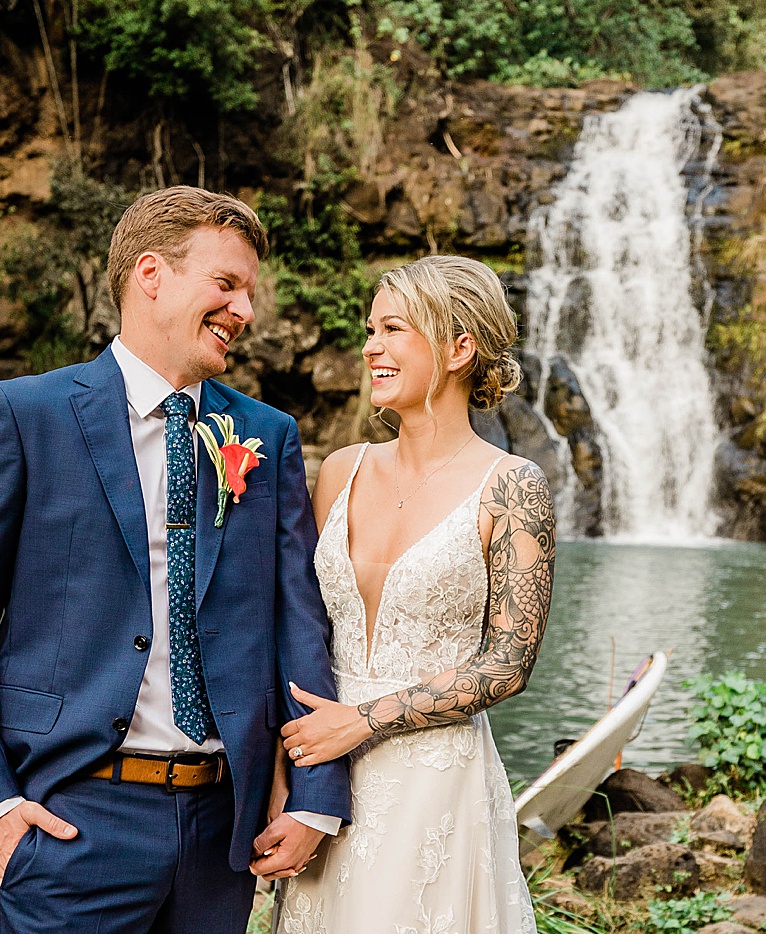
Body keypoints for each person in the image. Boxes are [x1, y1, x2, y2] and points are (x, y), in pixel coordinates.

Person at [0, 186, 350, 934]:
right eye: (227, 284)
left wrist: (314, 792)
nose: (245, 311)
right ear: (151, 274)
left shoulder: (266, 434)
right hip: (73, 822)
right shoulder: (25, 417)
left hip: (225, 830)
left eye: (248, 292)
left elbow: (296, 623)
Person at [273, 255, 554, 933]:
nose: (371, 345)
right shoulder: (340, 471)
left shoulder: (513, 487)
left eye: (393, 328)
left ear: (460, 347)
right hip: (321, 771)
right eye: (371, 329)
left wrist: (363, 721)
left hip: (434, 781)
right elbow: (296, 628)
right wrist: (286, 781)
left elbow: (507, 664)